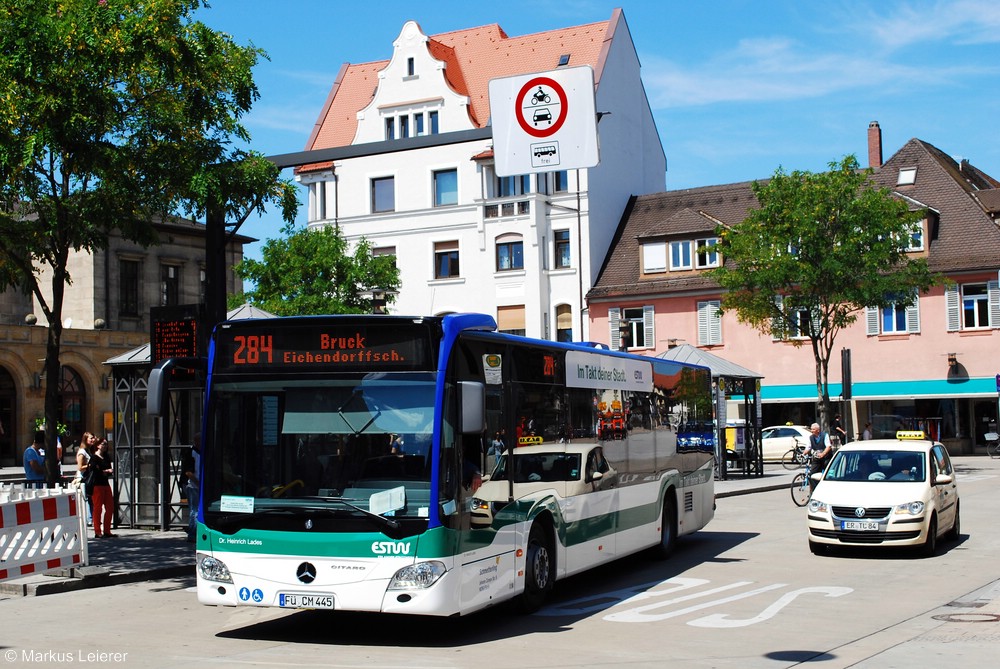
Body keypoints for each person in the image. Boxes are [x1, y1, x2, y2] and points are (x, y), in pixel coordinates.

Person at [89, 438, 116, 538]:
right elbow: (93, 471)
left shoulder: (106, 457)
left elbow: (107, 469)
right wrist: (104, 471)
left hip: (105, 484)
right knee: (98, 508)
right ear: (97, 445)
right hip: (97, 485)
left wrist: (107, 471)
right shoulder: (94, 458)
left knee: (110, 507)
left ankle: (107, 530)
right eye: (102, 444)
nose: (104, 446)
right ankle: (97, 531)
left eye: (105, 444)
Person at [76, 431, 98, 522]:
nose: (93, 440)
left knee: (91, 498)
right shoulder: (82, 452)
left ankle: (91, 518)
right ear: (85, 439)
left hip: (90, 477)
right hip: (84, 478)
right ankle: (89, 518)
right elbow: (80, 467)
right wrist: (90, 466)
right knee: (88, 498)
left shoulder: (89, 450)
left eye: (93, 438)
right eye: (91, 438)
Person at [804, 423, 833, 491]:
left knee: (828, 474)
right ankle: (815, 489)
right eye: (811, 429)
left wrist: (823, 453)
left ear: (818, 430)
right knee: (812, 474)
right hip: (817, 457)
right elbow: (808, 447)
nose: (812, 430)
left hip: (826, 457)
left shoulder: (824, 435)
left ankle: (828, 488)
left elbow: (828, 446)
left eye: (813, 429)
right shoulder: (811, 437)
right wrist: (804, 452)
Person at [182, 439, 200, 543]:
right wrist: (198, 483)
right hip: (192, 485)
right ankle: (192, 533)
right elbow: (188, 472)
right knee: (195, 510)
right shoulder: (191, 453)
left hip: (196, 484)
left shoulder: (200, 453)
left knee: (195, 509)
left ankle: (193, 532)